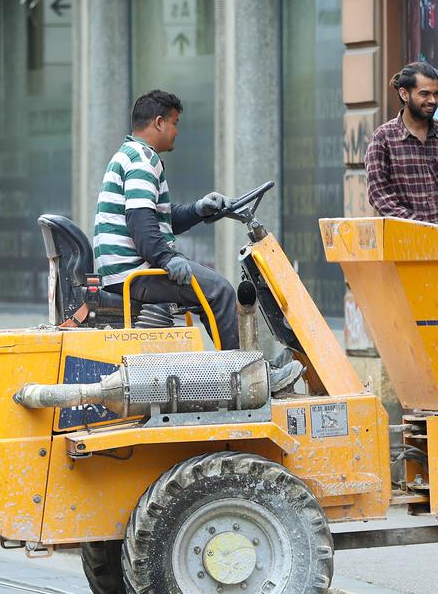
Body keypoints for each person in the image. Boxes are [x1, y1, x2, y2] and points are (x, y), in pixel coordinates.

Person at [93, 90, 302, 390]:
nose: (177, 131)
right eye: (175, 123)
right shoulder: (142, 160)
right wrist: (166, 258)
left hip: (126, 269)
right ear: (159, 122)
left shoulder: (128, 155)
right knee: (219, 290)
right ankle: (249, 380)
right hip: (134, 271)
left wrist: (199, 209)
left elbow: (158, 219)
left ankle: (248, 368)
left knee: (207, 294)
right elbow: (140, 222)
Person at [364, 62, 438, 230]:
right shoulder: (383, 139)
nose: (433, 100)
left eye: (436, 94)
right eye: (425, 94)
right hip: (405, 244)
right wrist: (423, 230)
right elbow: (380, 196)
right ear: (404, 94)